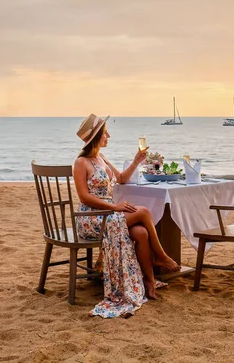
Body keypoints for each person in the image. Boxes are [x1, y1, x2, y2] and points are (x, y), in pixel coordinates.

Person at [73, 114, 180, 318]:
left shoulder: (101, 158)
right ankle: (161, 256)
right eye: (105, 133)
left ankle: (149, 282)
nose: (109, 136)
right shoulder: (81, 162)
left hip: (108, 214)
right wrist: (114, 207)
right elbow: (84, 198)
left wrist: (136, 161)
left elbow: (121, 178)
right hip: (91, 219)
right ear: (96, 137)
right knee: (144, 212)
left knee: (140, 232)